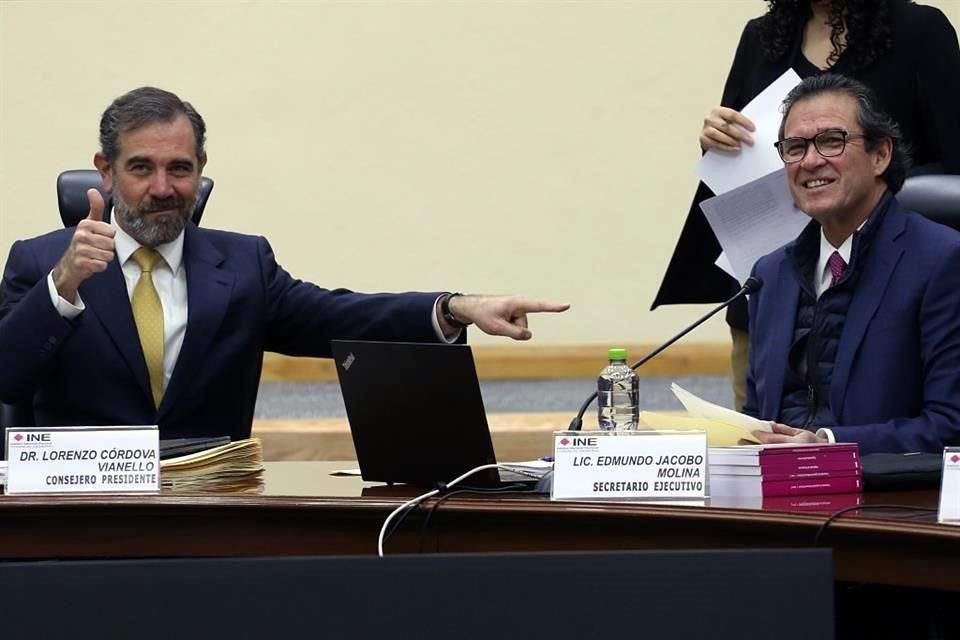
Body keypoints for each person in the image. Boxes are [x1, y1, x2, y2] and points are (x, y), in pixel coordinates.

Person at [0, 86, 569, 440]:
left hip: (212, 509)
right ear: (104, 170)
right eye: (141, 168)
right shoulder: (42, 262)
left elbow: (339, 318)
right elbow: (7, 375)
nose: (162, 187)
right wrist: (63, 287)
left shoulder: (242, 263)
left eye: (179, 168)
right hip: (77, 511)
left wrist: (458, 308)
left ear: (201, 169)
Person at [652, 0, 960, 411]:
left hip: (887, 290)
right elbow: (744, 141)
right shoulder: (761, 37)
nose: (813, 157)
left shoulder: (919, 28)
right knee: (764, 434)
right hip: (774, 283)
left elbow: (952, 162)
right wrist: (717, 140)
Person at [741, 73, 960, 455]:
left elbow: (951, 424)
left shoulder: (943, 261)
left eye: (830, 141)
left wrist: (830, 444)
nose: (810, 161)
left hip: (889, 504)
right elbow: (755, 415)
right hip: (778, 502)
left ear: (880, 155)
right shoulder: (769, 275)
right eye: (794, 147)